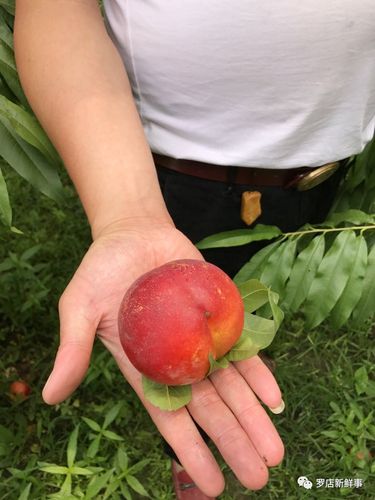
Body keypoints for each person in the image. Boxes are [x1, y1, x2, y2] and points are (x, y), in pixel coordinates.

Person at [13, 1, 374, 498]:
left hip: (320, 170)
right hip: (166, 175)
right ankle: (191, 451)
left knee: (257, 300)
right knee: (206, 343)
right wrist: (127, 212)